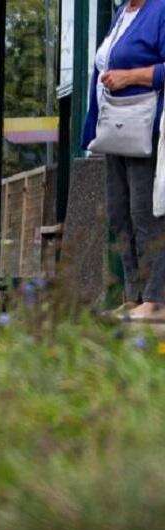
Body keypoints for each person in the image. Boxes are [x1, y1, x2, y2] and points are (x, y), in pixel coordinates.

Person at [82, 0, 165, 319]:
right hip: (115, 128)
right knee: (119, 213)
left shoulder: (158, 11)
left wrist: (130, 77)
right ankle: (134, 295)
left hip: (146, 126)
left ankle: (155, 298)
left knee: (144, 213)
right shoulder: (123, 13)